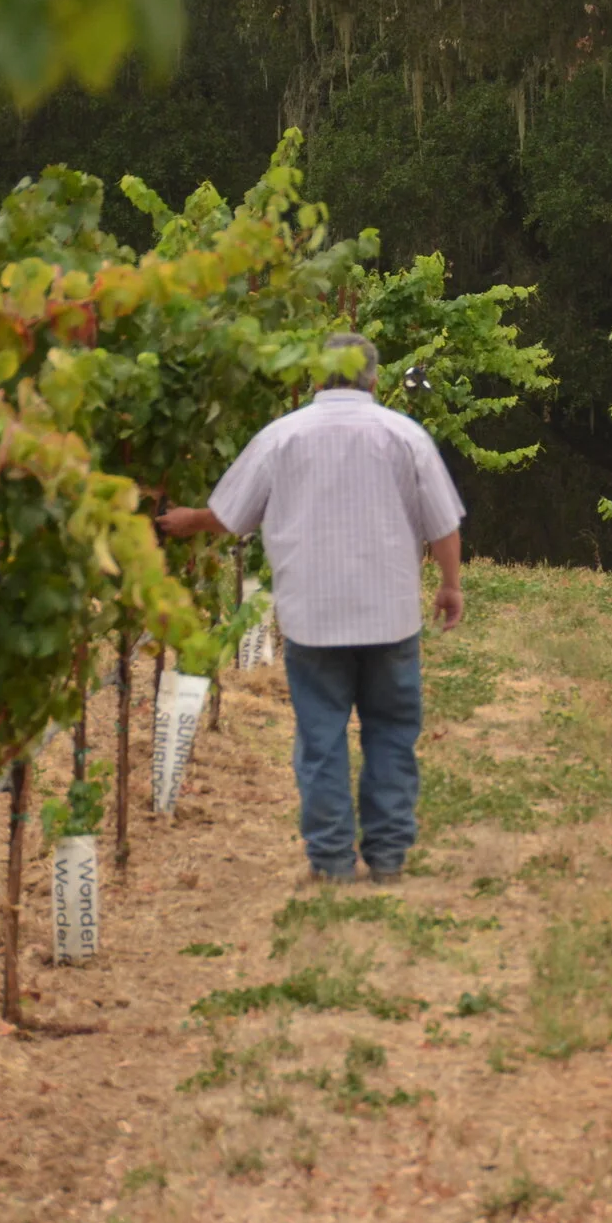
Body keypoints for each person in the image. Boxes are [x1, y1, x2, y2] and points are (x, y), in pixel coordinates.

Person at [157, 334, 466, 882]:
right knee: (391, 733)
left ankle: (331, 862)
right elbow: (443, 522)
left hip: (312, 618)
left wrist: (188, 521)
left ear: (317, 377)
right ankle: (388, 857)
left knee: (321, 741)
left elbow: (231, 516)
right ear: (375, 379)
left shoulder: (281, 437)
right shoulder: (405, 435)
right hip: (390, 615)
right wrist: (450, 585)